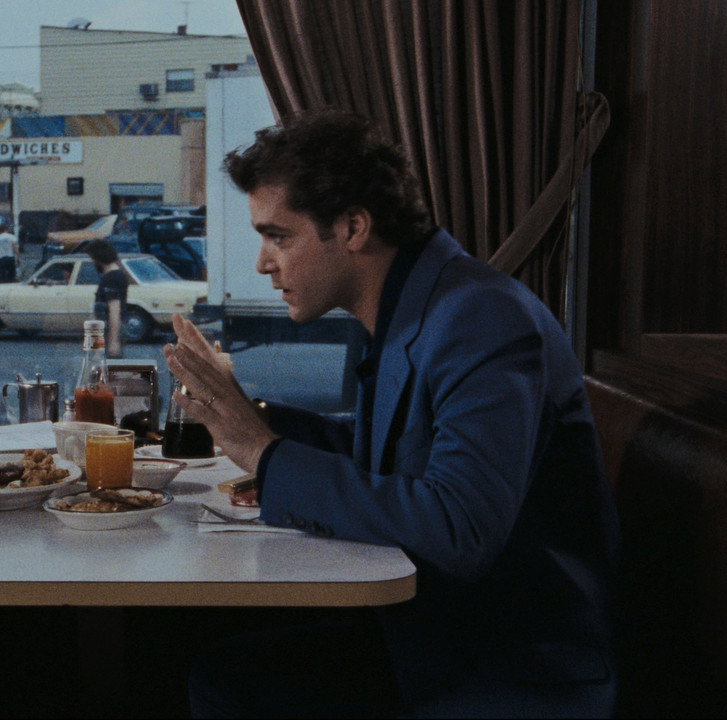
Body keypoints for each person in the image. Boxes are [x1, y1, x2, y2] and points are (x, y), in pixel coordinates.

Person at [168, 112, 619, 717]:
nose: (262, 263)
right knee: (221, 669)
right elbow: (390, 455)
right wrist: (252, 419)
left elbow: (459, 528)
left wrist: (264, 453)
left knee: (228, 680)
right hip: (440, 636)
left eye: (278, 237)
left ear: (353, 227)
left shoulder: (480, 318)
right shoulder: (424, 303)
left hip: (513, 670)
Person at [87, 238, 128, 358]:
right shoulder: (115, 275)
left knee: (101, 365)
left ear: (99, 257)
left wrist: (113, 341)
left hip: (105, 332)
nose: (92, 262)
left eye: (93, 258)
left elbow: (114, 310)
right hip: (99, 330)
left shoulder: (111, 278)